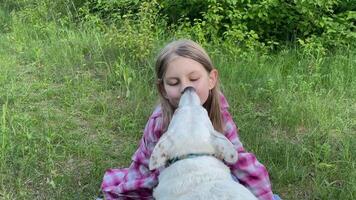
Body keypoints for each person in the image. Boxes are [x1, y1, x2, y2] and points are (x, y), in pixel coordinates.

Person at [100, 39, 280, 200]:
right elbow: (152, 172)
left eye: (193, 78)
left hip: (208, 175)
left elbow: (239, 160)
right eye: (173, 82)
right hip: (164, 179)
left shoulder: (220, 113)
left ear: (211, 79)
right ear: (162, 88)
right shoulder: (159, 122)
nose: (186, 88)